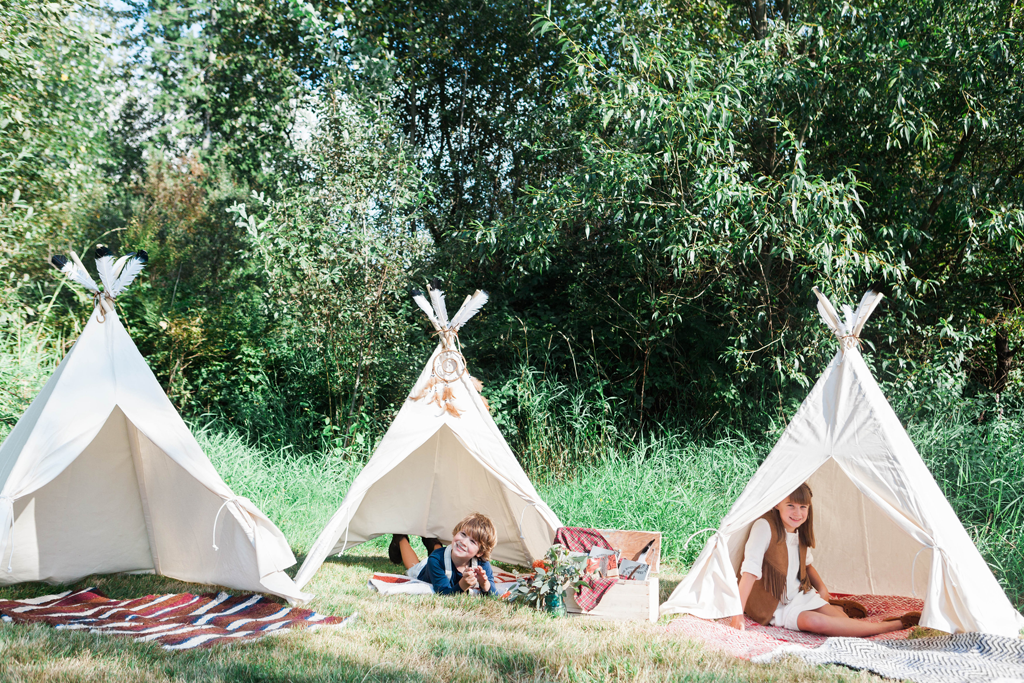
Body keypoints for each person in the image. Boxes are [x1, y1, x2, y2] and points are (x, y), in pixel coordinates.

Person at [729, 483, 918, 635]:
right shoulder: (764, 526)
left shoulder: (799, 531)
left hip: (800, 596)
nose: (797, 513)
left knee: (843, 623)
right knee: (816, 622)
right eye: (790, 506)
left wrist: (822, 589)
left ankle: (838, 609)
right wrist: (737, 615)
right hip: (777, 605)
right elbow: (750, 571)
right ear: (777, 504)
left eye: (803, 507)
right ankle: (893, 625)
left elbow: (807, 565)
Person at [387, 513, 498, 595]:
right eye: (463, 534)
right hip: (426, 568)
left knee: (443, 554)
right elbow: (443, 593)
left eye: (472, 541)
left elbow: (495, 594)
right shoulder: (435, 559)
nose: (464, 542)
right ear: (456, 532)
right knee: (414, 565)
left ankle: (433, 542)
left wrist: (485, 584)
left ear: (479, 552)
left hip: (443, 557)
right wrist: (463, 584)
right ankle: (400, 538)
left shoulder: (481, 564)